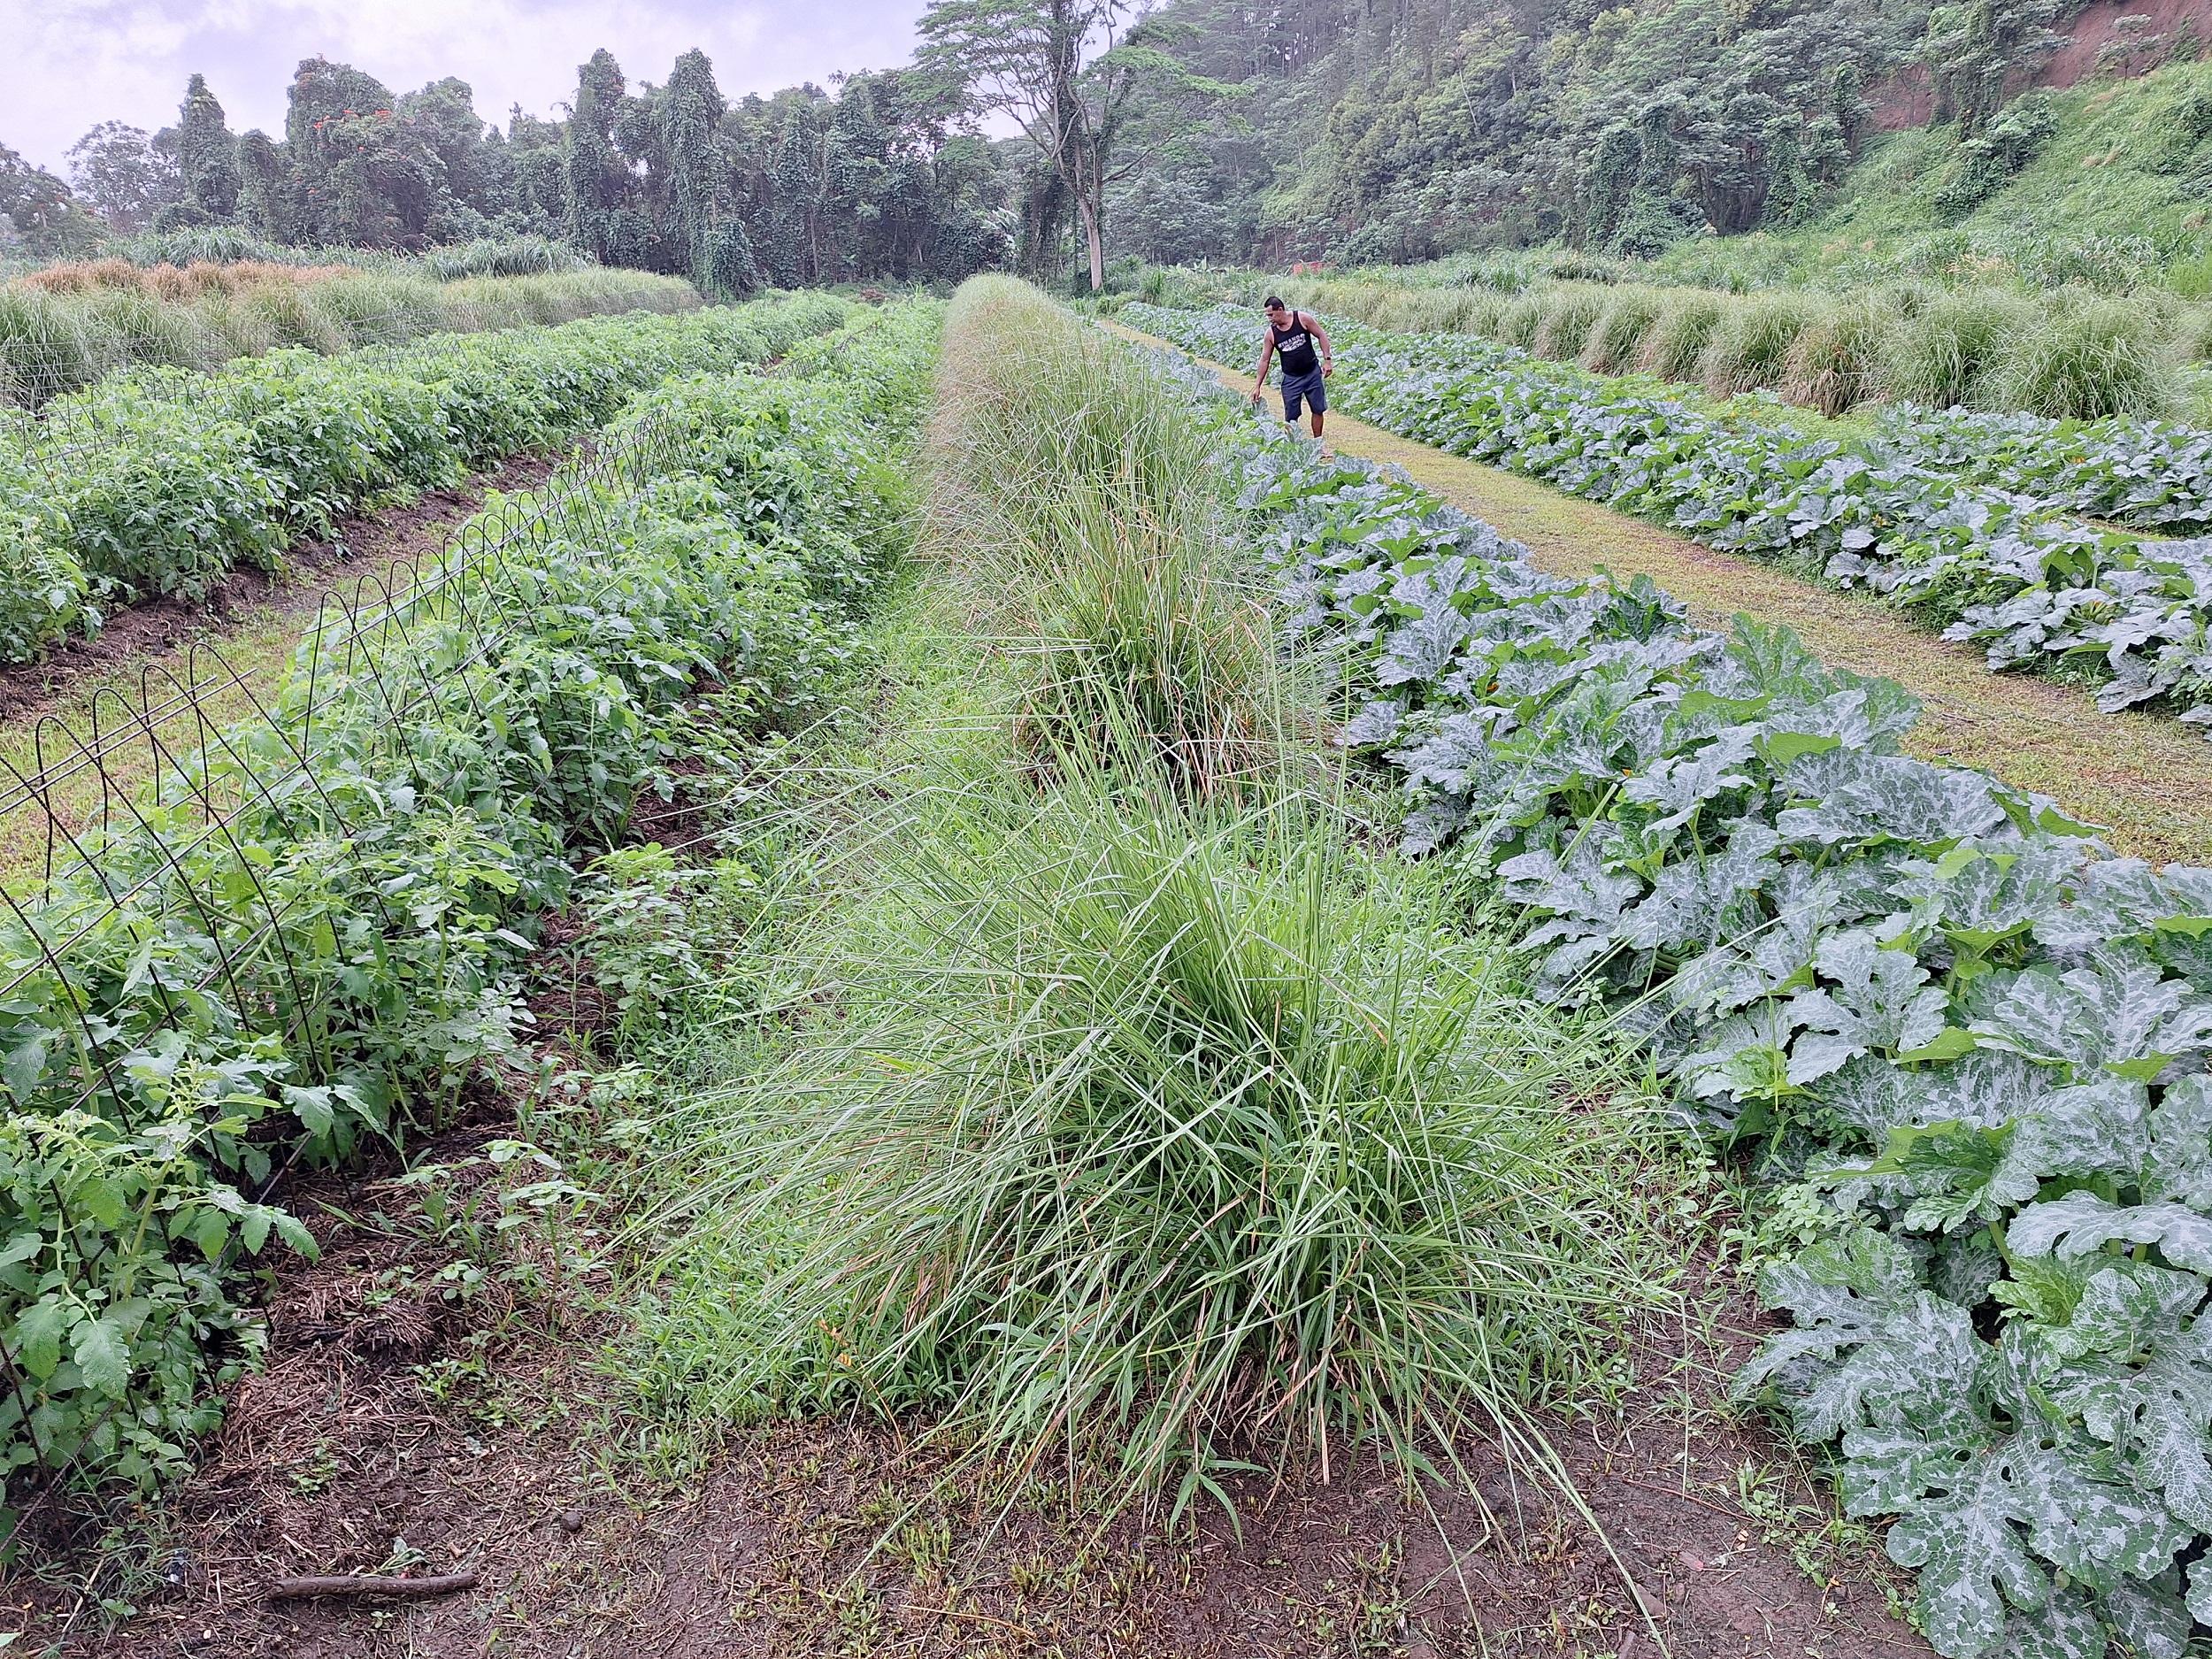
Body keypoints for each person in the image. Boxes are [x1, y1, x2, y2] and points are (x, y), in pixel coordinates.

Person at [1250, 296, 1333, 442]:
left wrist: (1327, 360)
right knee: (1291, 416)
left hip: (1312, 373)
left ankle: (1318, 443)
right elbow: (1264, 360)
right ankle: (1291, 445)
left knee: (1318, 409)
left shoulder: (1302, 319)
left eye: (1271, 315)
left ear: (1280, 310)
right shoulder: (1271, 334)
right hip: (1291, 379)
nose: (1270, 319)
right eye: (1268, 316)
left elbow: (1321, 335)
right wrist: (1257, 386)